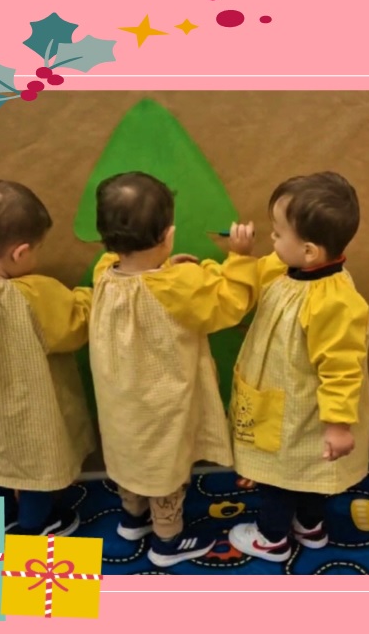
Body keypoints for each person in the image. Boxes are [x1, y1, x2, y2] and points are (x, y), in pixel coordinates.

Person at [89, 171, 258, 568]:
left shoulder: (104, 274)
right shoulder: (178, 285)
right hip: (163, 404)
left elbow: (132, 270)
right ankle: (168, 541)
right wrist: (241, 258)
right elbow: (230, 303)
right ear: (168, 235)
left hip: (119, 402)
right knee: (165, 465)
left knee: (130, 456)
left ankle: (133, 520)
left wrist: (162, 265)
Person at [226, 172, 369, 562]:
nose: (271, 241)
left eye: (277, 234)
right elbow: (256, 275)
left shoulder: (335, 301)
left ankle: (272, 537)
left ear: (308, 251)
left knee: (281, 476)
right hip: (287, 402)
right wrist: (239, 258)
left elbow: (342, 368)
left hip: (304, 411)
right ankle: (310, 525)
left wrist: (338, 424)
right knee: (308, 468)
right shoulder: (288, 269)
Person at [0, 180, 94, 536]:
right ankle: (37, 524)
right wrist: (89, 295)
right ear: (20, 253)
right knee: (36, 469)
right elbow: (75, 324)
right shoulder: (33, 293)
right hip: (28, 411)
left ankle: (0, 517)